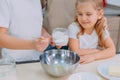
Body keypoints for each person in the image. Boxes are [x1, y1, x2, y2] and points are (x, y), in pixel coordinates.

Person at [68, 0, 116, 64]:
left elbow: (112, 50)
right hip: (76, 63)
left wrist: (93, 56)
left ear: (99, 14)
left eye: (88, 14)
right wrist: (97, 51)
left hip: (91, 62)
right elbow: (75, 52)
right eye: (80, 14)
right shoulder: (74, 28)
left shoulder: (101, 28)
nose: (83, 18)